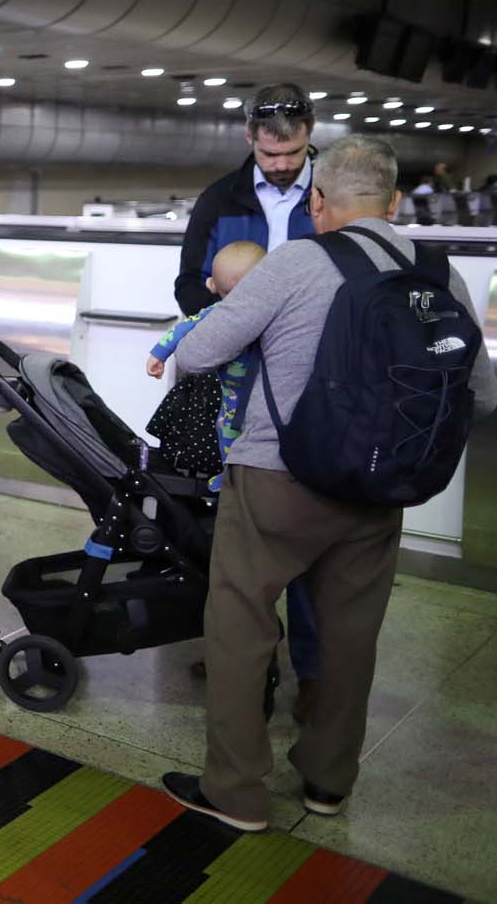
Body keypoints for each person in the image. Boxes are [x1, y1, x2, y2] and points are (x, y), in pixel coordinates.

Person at [161, 135, 496, 834]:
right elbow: (482, 391)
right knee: (350, 636)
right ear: (394, 201)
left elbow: (195, 351)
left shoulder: (297, 263)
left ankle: (237, 790)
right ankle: (327, 782)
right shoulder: (440, 273)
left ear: (318, 202)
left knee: (240, 621)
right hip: (381, 488)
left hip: (277, 480)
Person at [174, 82, 322, 720]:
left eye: (293, 154)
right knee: (236, 534)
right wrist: (232, 316)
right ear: (249, 140)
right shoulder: (219, 200)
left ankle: (315, 674)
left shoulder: (330, 199)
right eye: (270, 155)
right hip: (235, 392)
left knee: (313, 536)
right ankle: (247, 661)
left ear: (310, 134)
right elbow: (187, 285)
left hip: (316, 389)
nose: (282, 166)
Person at [146, 241, 267, 492]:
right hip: (264, 393)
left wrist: (158, 354)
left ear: (211, 284)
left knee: (227, 431)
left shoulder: (215, 312)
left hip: (234, 394)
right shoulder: (271, 312)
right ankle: (237, 478)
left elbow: (182, 329)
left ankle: (229, 476)